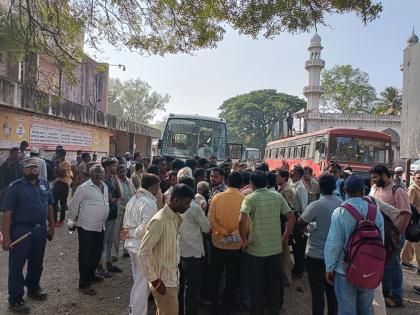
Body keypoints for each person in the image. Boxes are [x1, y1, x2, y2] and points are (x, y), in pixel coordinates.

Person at [1, 158, 55, 313]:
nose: (32, 170)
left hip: (40, 231)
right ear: (22, 170)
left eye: (35, 168)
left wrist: (51, 226)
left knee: (37, 262)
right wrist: (6, 237)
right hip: (21, 231)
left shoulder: (44, 184)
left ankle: (33, 287)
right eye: (29, 168)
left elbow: (49, 206)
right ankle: (15, 298)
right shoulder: (14, 187)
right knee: (17, 265)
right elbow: (7, 214)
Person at [324, 176, 384, 315]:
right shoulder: (376, 212)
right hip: (369, 269)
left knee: (346, 310)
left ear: (345, 190)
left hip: (344, 269)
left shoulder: (340, 212)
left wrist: (329, 268)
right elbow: (381, 243)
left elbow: (334, 243)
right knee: (366, 309)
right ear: (364, 190)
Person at [239, 171, 296, 315]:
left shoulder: (250, 198)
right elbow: (291, 218)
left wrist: (244, 241)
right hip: (274, 249)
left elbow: (241, 220)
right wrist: (284, 238)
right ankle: (273, 311)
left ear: (252, 183)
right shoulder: (277, 196)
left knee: (257, 286)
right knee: (274, 284)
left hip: (255, 250)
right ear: (266, 182)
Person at [139, 184, 195, 315]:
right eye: (187, 203)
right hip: (163, 281)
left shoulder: (175, 218)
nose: (189, 206)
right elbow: (143, 253)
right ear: (176, 200)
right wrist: (155, 281)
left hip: (172, 278)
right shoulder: (159, 221)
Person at [369, 164, 411, 307]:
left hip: (394, 234)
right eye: (372, 177)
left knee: (393, 265)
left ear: (385, 175)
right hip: (380, 234)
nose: (373, 180)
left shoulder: (398, 191)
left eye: (376, 177)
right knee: (383, 263)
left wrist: (397, 234)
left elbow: (405, 214)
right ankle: (385, 293)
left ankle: (397, 296)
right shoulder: (375, 188)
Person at [298, 175, 340, 315]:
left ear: (320, 188)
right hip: (335, 256)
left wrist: (312, 226)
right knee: (332, 294)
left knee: (317, 295)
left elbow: (300, 223)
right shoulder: (342, 204)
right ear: (334, 187)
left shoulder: (316, 205)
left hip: (315, 255)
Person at [122, 173, 161, 315]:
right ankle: (137, 312)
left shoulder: (133, 199)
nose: (158, 190)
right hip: (141, 246)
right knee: (142, 283)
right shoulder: (149, 203)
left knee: (138, 280)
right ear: (151, 187)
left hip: (131, 245)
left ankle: (133, 309)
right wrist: (132, 234)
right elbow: (146, 228)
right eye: (157, 187)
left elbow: (125, 224)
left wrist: (128, 235)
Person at [67, 164, 109, 296]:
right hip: (86, 227)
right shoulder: (83, 188)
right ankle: (83, 284)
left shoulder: (105, 186)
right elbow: (73, 205)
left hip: (100, 226)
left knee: (96, 254)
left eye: (100, 173)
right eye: (95, 173)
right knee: (85, 256)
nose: (98, 175)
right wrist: (72, 221)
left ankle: (91, 275)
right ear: (90, 174)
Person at [208, 172, 244, 315]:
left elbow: (211, 219)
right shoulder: (244, 199)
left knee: (215, 276)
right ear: (241, 184)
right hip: (235, 245)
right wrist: (234, 234)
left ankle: (213, 307)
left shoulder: (217, 197)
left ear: (227, 182)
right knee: (232, 277)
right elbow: (247, 222)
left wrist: (223, 233)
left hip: (218, 243)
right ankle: (228, 307)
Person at [178, 176, 211, 315]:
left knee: (179, 285)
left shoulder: (173, 205)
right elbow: (206, 228)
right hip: (193, 253)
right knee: (191, 288)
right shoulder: (194, 207)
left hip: (178, 250)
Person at [98, 158, 121, 274]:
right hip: (106, 214)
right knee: (103, 240)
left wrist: (116, 179)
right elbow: (110, 199)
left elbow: (119, 194)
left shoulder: (112, 180)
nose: (116, 168)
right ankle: (100, 265)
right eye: (113, 166)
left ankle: (108, 263)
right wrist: (115, 198)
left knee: (110, 240)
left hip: (113, 213)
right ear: (107, 167)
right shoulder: (103, 181)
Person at [275, 169, 294, 287]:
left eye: (277, 176)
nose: (276, 178)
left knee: (285, 253)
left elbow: (288, 210)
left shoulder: (287, 191)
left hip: (284, 226)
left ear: (284, 178)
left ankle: (287, 278)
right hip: (282, 225)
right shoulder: (282, 189)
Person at [290, 165, 308, 278]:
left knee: (299, 248)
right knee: (295, 246)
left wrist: (302, 225)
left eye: (293, 171)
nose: (290, 172)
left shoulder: (300, 188)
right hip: (294, 219)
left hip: (298, 220)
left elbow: (303, 208)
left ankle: (299, 270)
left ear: (299, 175)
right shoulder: (294, 185)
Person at [114, 165, 135, 259]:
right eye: (121, 171)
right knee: (116, 232)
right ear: (117, 172)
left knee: (126, 230)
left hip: (128, 209)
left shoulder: (129, 181)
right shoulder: (115, 181)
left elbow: (133, 192)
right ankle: (114, 253)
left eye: (124, 171)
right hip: (119, 208)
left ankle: (126, 250)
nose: (123, 173)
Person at [401, 170, 420, 274]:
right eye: (418, 178)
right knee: (417, 242)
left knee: (411, 240)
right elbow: (409, 205)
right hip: (416, 220)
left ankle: (405, 260)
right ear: (414, 178)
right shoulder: (412, 189)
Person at [52, 148, 72, 226]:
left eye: (58, 154)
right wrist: (57, 172)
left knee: (63, 203)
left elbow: (62, 174)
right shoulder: (58, 163)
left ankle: (61, 221)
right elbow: (54, 174)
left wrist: (57, 168)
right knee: (54, 203)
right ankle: (54, 220)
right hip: (57, 184)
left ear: (62, 155)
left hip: (63, 184)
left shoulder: (66, 163)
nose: (56, 155)